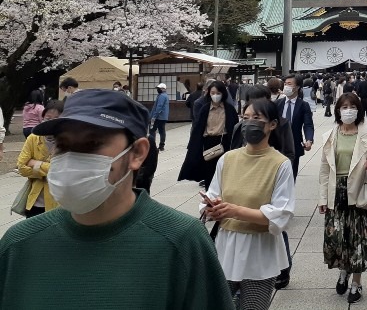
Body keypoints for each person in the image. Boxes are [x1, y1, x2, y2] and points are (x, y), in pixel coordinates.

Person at [0, 89, 232, 309]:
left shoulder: (182, 241)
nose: (72, 159)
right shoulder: (19, 245)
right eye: (62, 145)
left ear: (138, 153)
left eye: (92, 144)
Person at [203, 98, 295, 309]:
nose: (249, 122)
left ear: (272, 124)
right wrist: (211, 208)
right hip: (226, 245)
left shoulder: (280, 164)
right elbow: (213, 193)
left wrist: (235, 211)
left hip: (259, 249)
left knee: (253, 305)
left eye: (256, 118)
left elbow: (281, 213)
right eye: (245, 118)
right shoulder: (228, 159)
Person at [319, 93, 367, 304]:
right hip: (335, 192)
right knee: (338, 238)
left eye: (352, 106)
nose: (348, 110)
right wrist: (322, 198)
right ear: (338, 110)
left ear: (358, 110)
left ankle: (356, 282)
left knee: (359, 240)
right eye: (344, 106)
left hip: (357, 192)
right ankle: (343, 271)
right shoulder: (331, 135)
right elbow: (323, 169)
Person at [178, 81, 239, 190]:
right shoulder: (205, 109)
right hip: (208, 142)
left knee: (224, 171)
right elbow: (198, 128)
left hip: (224, 141)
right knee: (209, 172)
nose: (215, 95)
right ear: (209, 93)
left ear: (223, 93)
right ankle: (210, 195)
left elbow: (235, 127)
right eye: (213, 93)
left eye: (218, 93)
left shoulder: (229, 109)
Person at [16, 99, 64, 217]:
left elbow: (63, 172)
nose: (51, 123)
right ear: (42, 118)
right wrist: (51, 170)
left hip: (59, 203)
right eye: (48, 118)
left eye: (56, 119)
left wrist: (35, 164)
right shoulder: (33, 138)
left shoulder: (68, 141)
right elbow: (21, 167)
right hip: (35, 202)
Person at [278, 75, 315, 178]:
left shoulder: (303, 105)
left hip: (294, 146)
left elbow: (308, 125)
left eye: (289, 84)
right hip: (277, 145)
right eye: (285, 84)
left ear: (297, 87)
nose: (286, 86)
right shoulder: (277, 104)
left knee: (291, 177)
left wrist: (309, 140)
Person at [149, 83, 170, 151]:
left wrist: (154, 116)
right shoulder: (165, 95)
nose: (158, 89)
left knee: (152, 130)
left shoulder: (162, 96)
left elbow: (159, 107)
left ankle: (152, 145)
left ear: (163, 89)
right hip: (163, 117)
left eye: (159, 88)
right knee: (162, 130)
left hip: (158, 116)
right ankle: (161, 145)